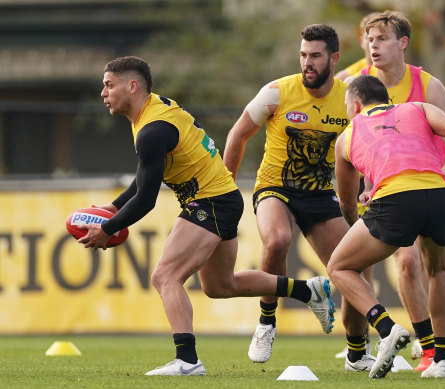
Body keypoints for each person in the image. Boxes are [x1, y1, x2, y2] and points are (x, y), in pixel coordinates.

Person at [77, 56, 335, 376]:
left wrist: (108, 228)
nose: (103, 92)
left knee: (164, 277)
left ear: (132, 86)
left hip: (210, 201)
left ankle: (187, 360)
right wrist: (114, 208)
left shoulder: (152, 129)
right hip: (221, 198)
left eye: (109, 85)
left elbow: (146, 199)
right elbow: (146, 179)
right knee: (220, 286)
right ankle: (307, 290)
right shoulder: (152, 112)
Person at [329, 74, 445, 379]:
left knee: (339, 267)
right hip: (440, 193)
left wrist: (356, 225)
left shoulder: (347, 136)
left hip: (395, 201)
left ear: (355, 105)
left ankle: (386, 327)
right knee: (438, 271)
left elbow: (348, 202)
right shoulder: (417, 107)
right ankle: (441, 360)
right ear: (388, 101)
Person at [223, 24, 374, 372]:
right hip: (275, 187)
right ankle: (266, 322)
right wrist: (226, 188)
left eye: (315, 56)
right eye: (303, 55)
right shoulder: (277, 91)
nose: (308, 62)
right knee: (277, 240)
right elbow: (238, 134)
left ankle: (356, 354)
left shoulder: (351, 99)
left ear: (334, 59)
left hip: (321, 195)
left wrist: (371, 184)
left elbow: (367, 146)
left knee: (353, 269)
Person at [346, 10, 445, 371]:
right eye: (369, 39)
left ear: (403, 43)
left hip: (430, 185)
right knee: (407, 263)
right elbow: (362, 145)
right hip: (393, 193)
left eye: (381, 39)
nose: (372, 45)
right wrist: (366, 185)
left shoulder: (428, 86)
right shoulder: (356, 84)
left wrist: (437, 174)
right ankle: (431, 350)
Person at [334, 12, 379, 81]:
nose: (375, 44)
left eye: (382, 38)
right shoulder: (344, 79)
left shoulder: (401, 73)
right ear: (361, 42)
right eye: (370, 39)